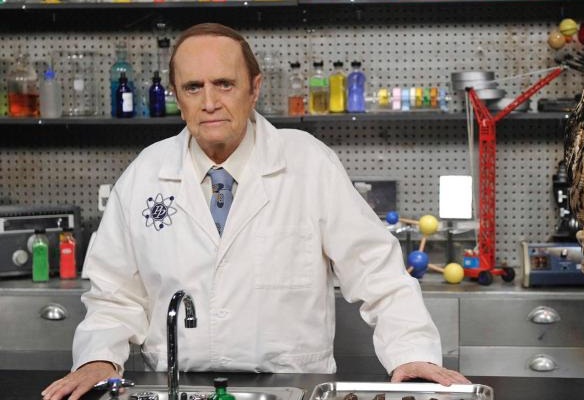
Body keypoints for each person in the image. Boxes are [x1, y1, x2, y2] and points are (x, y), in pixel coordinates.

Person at [42, 22, 470, 400]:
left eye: (224, 84)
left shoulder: (307, 163)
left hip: (295, 386)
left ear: (255, 88)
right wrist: (97, 359)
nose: (209, 101)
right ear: (178, 96)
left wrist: (412, 354)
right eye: (193, 87)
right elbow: (114, 294)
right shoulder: (145, 173)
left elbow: (378, 273)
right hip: (179, 387)